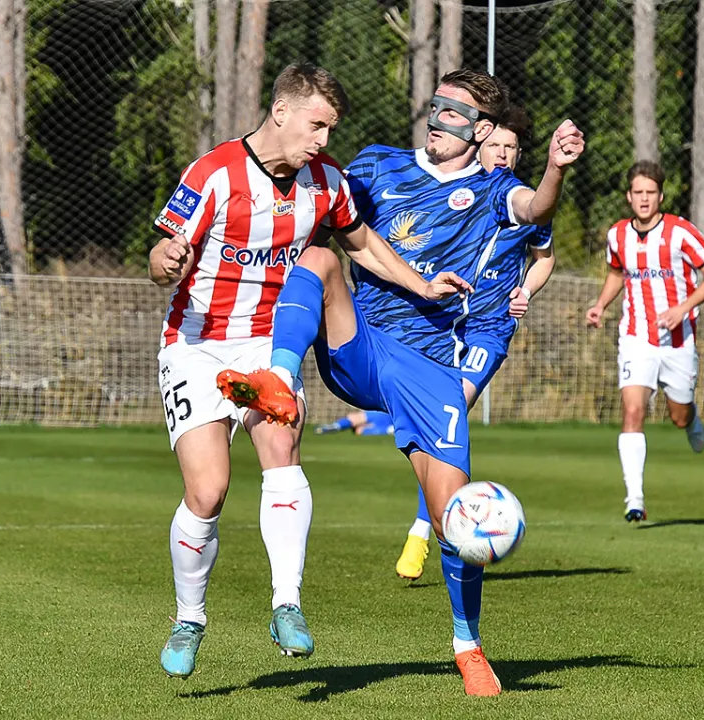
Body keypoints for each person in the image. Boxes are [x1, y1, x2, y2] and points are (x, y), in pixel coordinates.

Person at [217, 68, 584, 696]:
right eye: (438, 105)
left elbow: (535, 209)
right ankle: (279, 376)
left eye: (457, 113)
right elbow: (320, 211)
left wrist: (554, 169)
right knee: (321, 260)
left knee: (458, 519)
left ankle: (467, 646)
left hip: (431, 368)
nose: (440, 119)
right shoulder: (375, 166)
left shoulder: (495, 189)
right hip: (358, 344)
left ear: (484, 130)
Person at [147, 63, 466, 678]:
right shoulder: (213, 175)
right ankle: (190, 615)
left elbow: (363, 243)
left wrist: (421, 284)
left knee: (282, 451)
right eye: (317, 125)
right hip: (197, 345)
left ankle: (286, 604)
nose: (323, 139)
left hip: (270, 345)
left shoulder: (327, 182)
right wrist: (167, 259)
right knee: (207, 490)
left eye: (331, 128)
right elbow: (160, 255)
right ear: (283, 111)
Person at [393, 105, 557, 581]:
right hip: (442, 325)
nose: (503, 154)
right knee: (433, 428)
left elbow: (544, 258)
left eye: (511, 148)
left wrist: (525, 289)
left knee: (449, 413)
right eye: (495, 145)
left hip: (489, 329)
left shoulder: (523, 201)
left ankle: (424, 530)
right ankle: (435, 521)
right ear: (478, 146)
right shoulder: (456, 194)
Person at [584, 160, 704, 522]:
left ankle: (691, 418)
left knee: (678, 416)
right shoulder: (617, 235)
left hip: (678, 340)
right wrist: (600, 305)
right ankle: (635, 499)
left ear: (660, 196)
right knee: (632, 410)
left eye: (651, 193)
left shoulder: (680, 232)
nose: (644, 199)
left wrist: (683, 308)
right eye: (638, 193)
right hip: (636, 337)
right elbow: (617, 273)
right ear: (629, 197)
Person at [314, 410, 395, 436]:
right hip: (389, 416)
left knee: (355, 421)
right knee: (359, 430)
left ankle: (337, 426)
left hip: (385, 414)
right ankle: (337, 426)